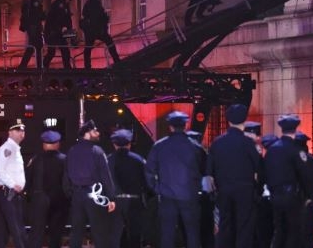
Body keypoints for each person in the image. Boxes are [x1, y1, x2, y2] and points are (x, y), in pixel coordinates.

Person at [145, 111, 206, 248]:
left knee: (167, 234)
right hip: (190, 196)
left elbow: (149, 171)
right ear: (185, 126)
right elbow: (205, 169)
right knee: (192, 234)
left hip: (167, 196)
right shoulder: (195, 147)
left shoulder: (159, 146)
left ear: (170, 127)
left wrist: (157, 189)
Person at [206, 104, 261, 248]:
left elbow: (209, 169)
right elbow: (258, 166)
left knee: (225, 224)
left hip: (223, 189)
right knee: (244, 226)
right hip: (245, 190)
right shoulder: (248, 143)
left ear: (228, 120)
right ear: (244, 120)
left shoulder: (217, 142)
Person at [263, 114, 313, 248]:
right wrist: (311, 196)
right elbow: (305, 175)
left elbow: (266, 172)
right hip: (292, 196)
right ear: (295, 129)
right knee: (294, 231)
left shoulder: (272, 150)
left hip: (275, 195)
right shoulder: (295, 150)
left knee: (279, 230)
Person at [64, 119, 117, 248]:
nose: (98, 133)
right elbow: (106, 176)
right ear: (88, 133)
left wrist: (70, 193)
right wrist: (111, 198)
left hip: (77, 194)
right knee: (99, 231)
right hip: (95, 195)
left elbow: (66, 176)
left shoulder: (72, 151)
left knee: (76, 232)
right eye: (95, 131)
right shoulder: (97, 151)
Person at [26, 130, 69, 248]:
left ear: (44, 145)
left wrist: (30, 197)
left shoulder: (35, 160)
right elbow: (67, 182)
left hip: (39, 200)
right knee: (56, 234)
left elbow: (28, 180)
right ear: (57, 144)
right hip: (59, 200)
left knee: (36, 233)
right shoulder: (64, 160)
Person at [107, 129, 148, 248]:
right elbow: (146, 181)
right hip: (134, 201)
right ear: (129, 143)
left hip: (115, 201)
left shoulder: (108, 160)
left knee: (115, 234)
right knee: (135, 234)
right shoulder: (138, 159)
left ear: (114, 144)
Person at [0, 119, 28, 248]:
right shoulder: (7, 149)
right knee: (17, 228)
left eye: (23, 130)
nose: (22, 133)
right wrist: (13, 184)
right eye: (18, 130)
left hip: (10, 194)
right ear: (10, 132)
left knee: (3, 231)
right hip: (9, 193)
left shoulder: (14, 148)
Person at [80, 0, 121, 68]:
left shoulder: (90, 5)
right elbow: (98, 18)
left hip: (93, 31)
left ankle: (87, 66)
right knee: (109, 42)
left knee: (88, 47)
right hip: (96, 30)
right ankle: (116, 60)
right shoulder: (94, 5)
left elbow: (86, 16)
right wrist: (103, 25)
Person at [294, 131, 313, 248]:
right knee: (308, 234)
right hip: (310, 201)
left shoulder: (290, 160)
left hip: (294, 200)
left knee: (293, 234)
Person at [255, 134, 279, 248]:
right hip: (276, 198)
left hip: (264, 199)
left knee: (264, 232)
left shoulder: (263, 161)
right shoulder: (275, 160)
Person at [43, 0, 75, 69]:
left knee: (63, 51)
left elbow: (67, 22)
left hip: (58, 33)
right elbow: (57, 19)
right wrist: (63, 30)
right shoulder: (60, 4)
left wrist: (71, 36)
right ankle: (44, 67)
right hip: (53, 33)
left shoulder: (65, 6)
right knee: (53, 52)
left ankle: (67, 68)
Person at [18, 0, 47, 69]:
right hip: (34, 28)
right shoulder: (35, 4)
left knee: (34, 46)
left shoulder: (30, 3)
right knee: (36, 46)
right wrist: (44, 15)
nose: (43, 0)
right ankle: (38, 66)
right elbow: (36, 17)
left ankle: (25, 65)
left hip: (32, 28)